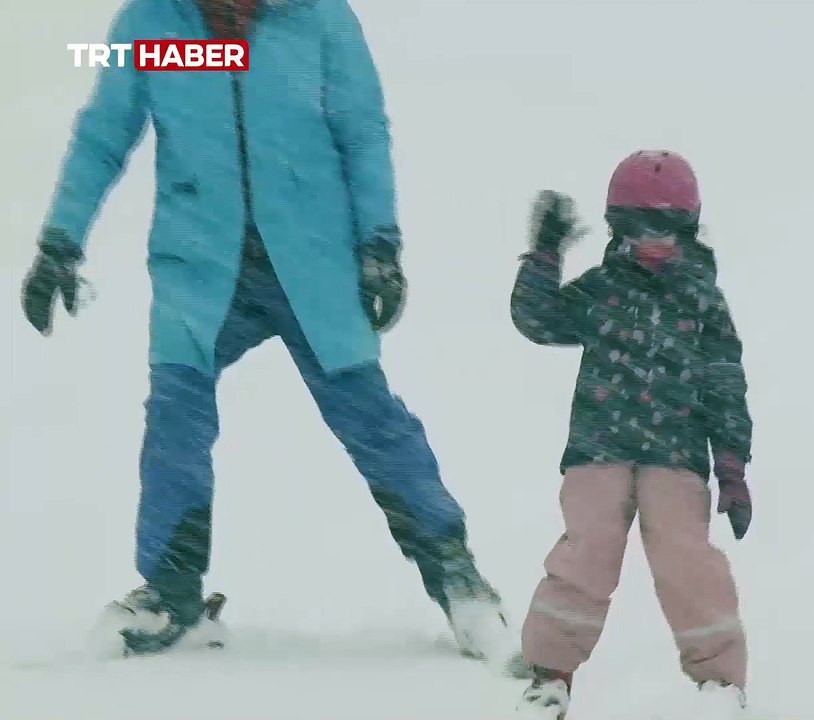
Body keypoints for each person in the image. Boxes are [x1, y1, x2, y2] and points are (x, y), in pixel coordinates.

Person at [19, 0, 516, 663]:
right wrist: (60, 242)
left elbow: (361, 130)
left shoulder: (319, 20)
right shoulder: (152, 21)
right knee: (176, 419)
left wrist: (380, 243)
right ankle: (173, 595)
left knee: (371, 418)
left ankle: (456, 577)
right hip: (199, 265)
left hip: (310, 264)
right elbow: (105, 132)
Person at [508, 151, 755, 718]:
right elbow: (539, 321)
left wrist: (733, 468)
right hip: (600, 446)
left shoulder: (702, 300)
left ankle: (719, 685)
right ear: (618, 230)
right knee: (585, 553)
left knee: (686, 560)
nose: (653, 242)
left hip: (676, 455)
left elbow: (725, 382)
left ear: (686, 232)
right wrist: (544, 254)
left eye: (666, 230)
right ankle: (550, 676)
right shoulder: (602, 289)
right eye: (639, 229)